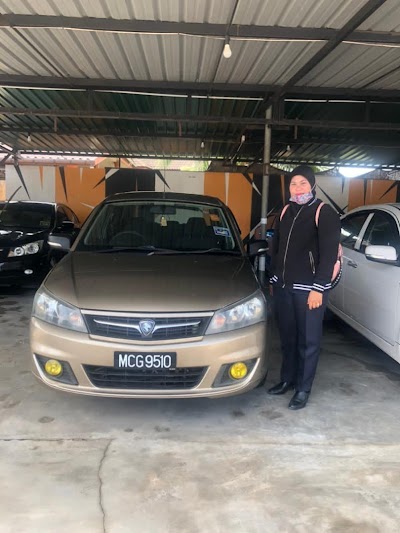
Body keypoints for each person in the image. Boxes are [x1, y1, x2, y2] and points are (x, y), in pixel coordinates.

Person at [267, 165, 341, 410]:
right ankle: (287, 379)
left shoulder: (324, 212)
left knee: (308, 341)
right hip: (284, 287)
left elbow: (329, 255)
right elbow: (276, 248)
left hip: (309, 290)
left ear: (312, 185)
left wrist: (319, 288)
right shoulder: (285, 211)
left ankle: (303, 388)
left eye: (303, 183)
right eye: (293, 183)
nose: (298, 188)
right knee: (288, 338)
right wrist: (274, 279)